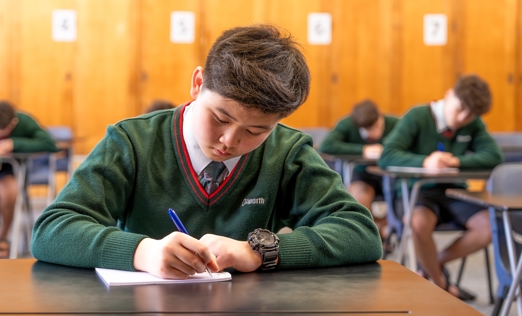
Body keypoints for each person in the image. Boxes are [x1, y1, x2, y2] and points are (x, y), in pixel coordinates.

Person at [31, 25, 382, 279]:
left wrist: (258, 251)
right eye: (220, 117)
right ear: (198, 84)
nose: (229, 141)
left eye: (255, 131)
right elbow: (52, 230)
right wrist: (143, 251)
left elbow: (360, 233)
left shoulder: (287, 152)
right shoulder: (132, 142)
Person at [379, 75, 503, 300]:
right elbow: (387, 156)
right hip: (417, 192)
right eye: (461, 109)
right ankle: (441, 284)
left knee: (489, 225)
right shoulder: (417, 116)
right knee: (418, 223)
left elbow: (494, 156)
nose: (463, 118)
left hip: (453, 192)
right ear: (449, 95)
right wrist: (425, 162)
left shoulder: (472, 124)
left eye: (471, 114)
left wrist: (457, 161)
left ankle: (431, 267)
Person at [0, 101, 57, 258]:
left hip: (3, 172)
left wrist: (13, 143)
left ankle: (2, 237)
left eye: (0, 132)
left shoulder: (23, 121)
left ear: (13, 124)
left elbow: (49, 143)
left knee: (10, 192)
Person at [319, 100, 398, 236]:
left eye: (377, 126)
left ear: (380, 114)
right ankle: (374, 233)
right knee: (358, 198)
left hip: (393, 176)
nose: (374, 133)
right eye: (368, 130)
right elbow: (326, 146)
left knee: (408, 203)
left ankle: (382, 227)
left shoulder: (395, 123)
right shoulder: (347, 124)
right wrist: (363, 150)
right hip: (363, 175)